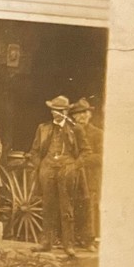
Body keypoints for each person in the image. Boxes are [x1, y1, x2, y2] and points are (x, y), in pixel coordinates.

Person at [28, 95, 90, 257]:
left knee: (66, 207)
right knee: (48, 206)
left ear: (66, 111)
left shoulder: (75, 128)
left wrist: (74, 166)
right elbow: (34, 151)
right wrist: (40, 165)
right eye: (54, 110)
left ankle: (68, 245)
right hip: (47, 169)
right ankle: (46, 243)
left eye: (60, 110)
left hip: (67, 169)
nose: (56, 113)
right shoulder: (43, 128)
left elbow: (86, 151)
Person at [71, 97, 103, 250]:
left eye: (84, 113)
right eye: (78, 114)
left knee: (89, 205)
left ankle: (90, 240)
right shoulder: (71, 133)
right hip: (73, 175)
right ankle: (75, 238)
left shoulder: (97, 134)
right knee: (73, 205)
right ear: (73, 117)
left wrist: (82, 161)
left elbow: (102, 156)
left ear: (89, 115)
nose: (82, 116)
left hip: (90, 175)